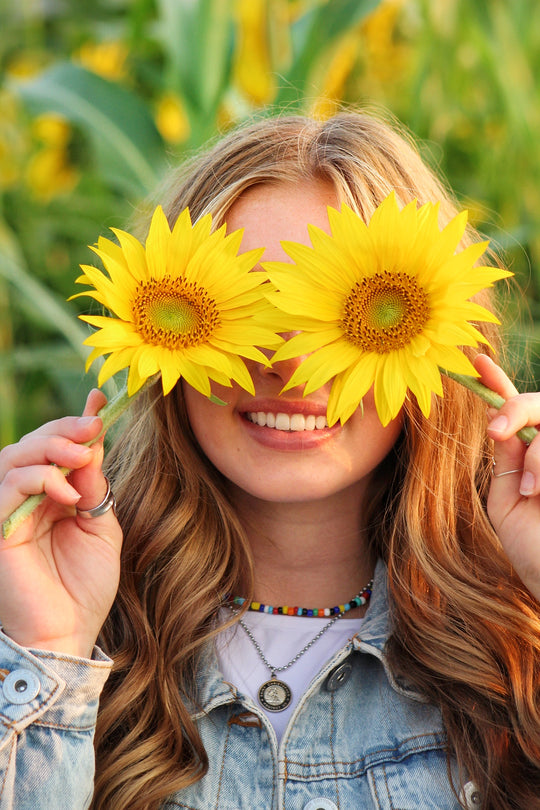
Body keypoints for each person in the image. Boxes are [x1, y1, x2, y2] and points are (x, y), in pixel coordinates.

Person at [0, 111, 539, 810]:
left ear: (441, 343)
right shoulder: (65, 641)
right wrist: (47, 651)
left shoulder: (512, 649)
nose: (288, 364)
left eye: (339, 310)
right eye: (245, 309)